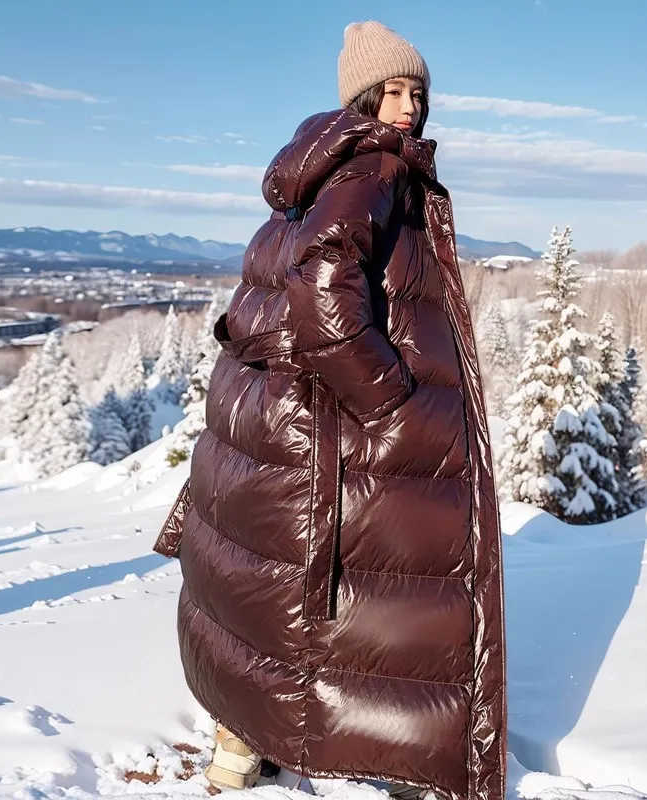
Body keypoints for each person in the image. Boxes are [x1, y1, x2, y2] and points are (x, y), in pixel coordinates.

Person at [153, 19, 506, 800]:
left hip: (283, 418)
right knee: (386, 590)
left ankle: (239, 746)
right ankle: (411, 760)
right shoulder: (373, 170)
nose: (408, 106)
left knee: (275, 596)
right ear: (362, 97)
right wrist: (386, 398)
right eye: (393, 91)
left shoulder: (315, 171)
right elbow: (322, 285)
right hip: (333, 421)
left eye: (418, 92)